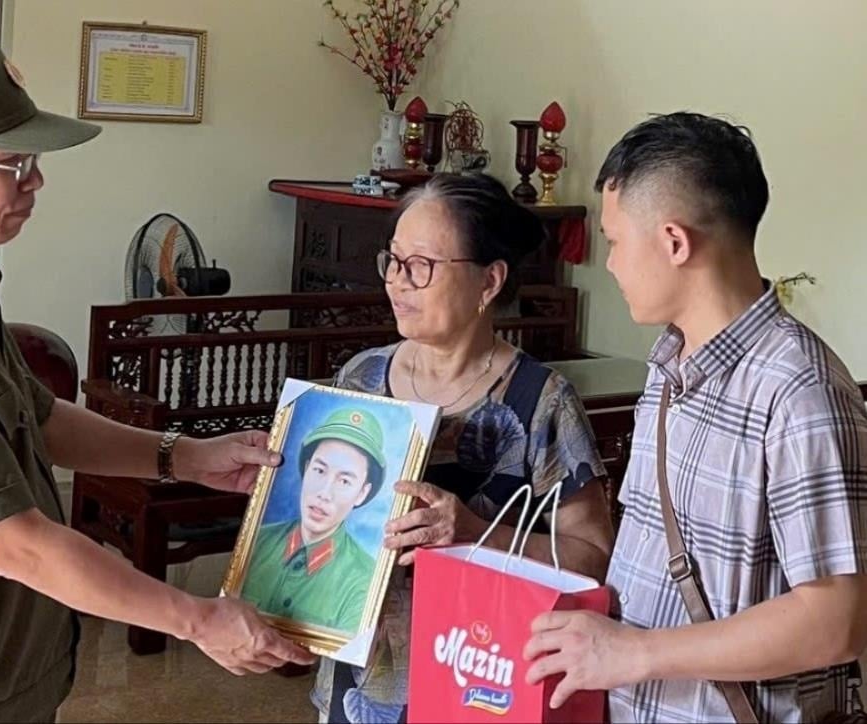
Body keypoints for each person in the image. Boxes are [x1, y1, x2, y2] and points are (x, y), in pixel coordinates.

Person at [0, 44, 312, 724]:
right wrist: (197, 620)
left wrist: (191, 457)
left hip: (0, 672)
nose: (36, 182)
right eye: (14, 164)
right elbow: (15, 543)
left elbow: (39, 419)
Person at [523, 112, 867, 722]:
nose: (609, 263)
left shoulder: (800, 392)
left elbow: (836, 621)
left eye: (615, 240)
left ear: (674, 242)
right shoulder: (669, 364)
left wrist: (636, 653)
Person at [312, 172, 615, 723]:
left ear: (489, 281)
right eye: (393, 261)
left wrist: (477, 535)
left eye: (421, 266)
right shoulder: (359, 378)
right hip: (367, 683)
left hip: (483, 679)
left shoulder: (541, 402)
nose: (397, 282)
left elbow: (592, 560)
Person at [241, 407, 385, 633]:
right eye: (319, 470)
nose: (324, 493)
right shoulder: (256, 541)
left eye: (344, 481)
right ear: (306, 469)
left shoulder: (365, 579)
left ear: (362, 493)